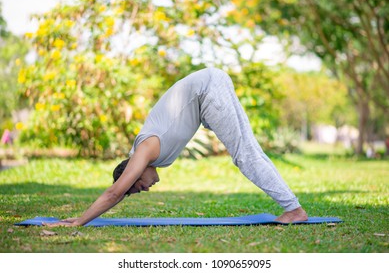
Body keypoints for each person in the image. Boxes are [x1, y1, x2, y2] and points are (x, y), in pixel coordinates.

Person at [45, 67, 307, 227]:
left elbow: (114, 192)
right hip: (210, 87)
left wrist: (79, 221)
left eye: (138, 184)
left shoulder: (145, 149)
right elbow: (120, 193)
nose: (146, 187)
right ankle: (293, 207)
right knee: (249, 151)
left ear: (135, 170)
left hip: (209, 90)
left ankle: (293, 209)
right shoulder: (154, 155)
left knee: (245, 156)